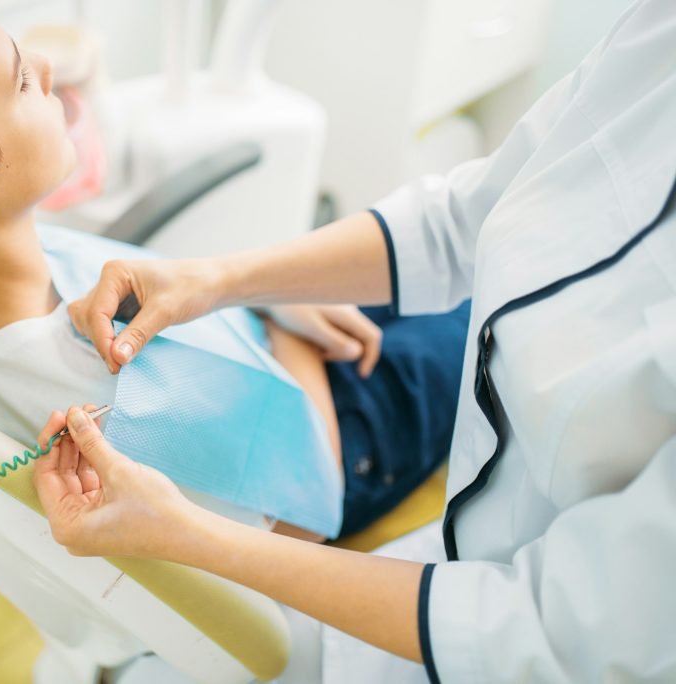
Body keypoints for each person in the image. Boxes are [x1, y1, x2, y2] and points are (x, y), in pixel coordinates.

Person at [36, 1, 676, 681]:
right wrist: (228, 281)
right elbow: (463, 216)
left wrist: (273, 312)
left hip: (514, 611)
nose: (47, 66)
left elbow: (562, 634)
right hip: (368, 402)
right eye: (20, 76)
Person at [0, 0, 470, 540]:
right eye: (19, 80)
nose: (43, 65)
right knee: (486, 305)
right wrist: (280, 320)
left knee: (408, 261)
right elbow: (308, 512)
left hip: (259, 340)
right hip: (344, 426)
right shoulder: (102, 397)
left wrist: (265, 293)